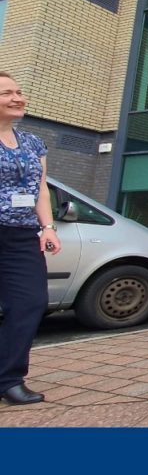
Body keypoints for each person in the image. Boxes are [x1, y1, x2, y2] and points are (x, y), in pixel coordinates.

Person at [0, 72, 61, 405]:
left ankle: (9, 380)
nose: (17, 98)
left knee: (30, 302)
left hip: (22, 235)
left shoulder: (34, 143)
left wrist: (48, 227)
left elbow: (40, 188)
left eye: (19, 92)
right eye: (7, 93)